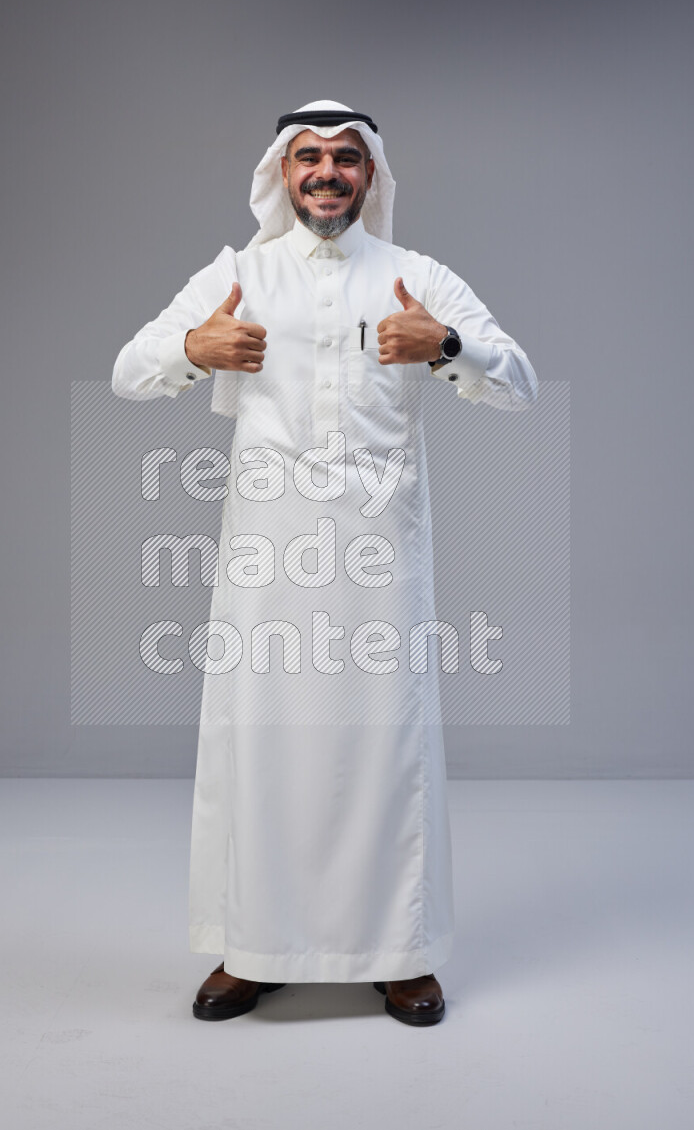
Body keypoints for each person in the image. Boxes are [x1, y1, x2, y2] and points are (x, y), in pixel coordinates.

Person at [112, 100, 537, 1026]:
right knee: (263, 741)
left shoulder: (414, 276)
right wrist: (195, 347)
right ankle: (253, 945)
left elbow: (519, 380)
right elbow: (128, 368)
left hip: (382, 553)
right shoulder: (240, 274)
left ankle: (402, 952)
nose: (328, 172)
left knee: (385, 744)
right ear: (281, 172)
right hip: (267, 556)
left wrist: (446, 345)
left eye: (347, 158)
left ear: (372, 174)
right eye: (309, 157)